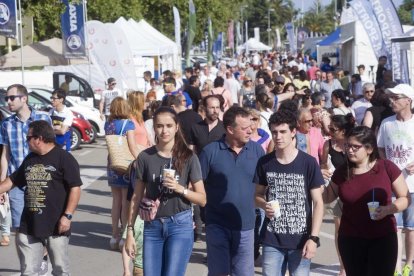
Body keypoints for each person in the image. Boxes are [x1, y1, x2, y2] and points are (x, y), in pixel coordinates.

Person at [125, 106, 206, 276]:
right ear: (154, 128)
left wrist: (180, 189)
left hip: (180, 224)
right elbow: (136, 197)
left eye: (169, 126)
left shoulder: (188, 157)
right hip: (152, 225)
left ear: (177, 127)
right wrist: (130, 232)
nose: (164, 130)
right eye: (160, 126)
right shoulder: (145, 157)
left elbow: (202, 199)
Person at [323, 126, 410, 276]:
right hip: (351, 239)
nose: (350, 150)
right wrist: (319, 180)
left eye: (355, 147)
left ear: (369, 149)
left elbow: (405, 198)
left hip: (382, 238)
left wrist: (388, 209)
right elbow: (327, 198)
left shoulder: (386, 167)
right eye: (348, 145)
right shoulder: (342, 171)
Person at [0, 120, 82, 275]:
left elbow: (75, 188)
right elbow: (13, 180)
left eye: (28, 137)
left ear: (39, 138)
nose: (26, 141)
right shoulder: (30, 159)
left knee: (60, 269)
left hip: (56, 224)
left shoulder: (64, 158)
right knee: (29, 270)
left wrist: (68, 216)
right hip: (30, 224)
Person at [254, 110, 324, 275]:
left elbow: (318, 202)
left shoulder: (308, 163)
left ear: (293, 132)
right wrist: (264, 205)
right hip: (272, 239)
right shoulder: (265, 162)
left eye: (283, 132)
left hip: (301, 240)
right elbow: (257, 196)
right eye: (274, 132)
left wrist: (313, 238)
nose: (278, 136)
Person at [199, 106, 265, 276]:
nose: (250, 131)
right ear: (229, 129)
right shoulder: (210, 152)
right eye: (244, 128)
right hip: (217, 225)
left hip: (246, 226)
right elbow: (198, 187)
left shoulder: (257, 150)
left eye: (251, 126)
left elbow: (265, 185)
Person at [0, 84, 52, 270]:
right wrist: (2, 184)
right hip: (16, 183)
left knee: (42, 225)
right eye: (7, 98)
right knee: (19, 228)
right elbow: (5, 155)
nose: (8, 101)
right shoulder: (6, 124)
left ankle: (43, 256)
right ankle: (26, 267)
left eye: (12, 97)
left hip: (41, 181)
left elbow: (51, 149)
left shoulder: (43, 118)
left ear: (24, 98)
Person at [377, 84, 414, 276]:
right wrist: (386, 165)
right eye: (390, 97)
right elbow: (380, 148)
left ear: (408, 100)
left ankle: (409, 264)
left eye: (396, 97)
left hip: (412, 186)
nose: (392, 101)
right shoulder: (386, 123)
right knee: (395, 227)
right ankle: (396, 267)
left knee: (411, 228)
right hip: (391, 185)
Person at [320, 114, 355, 276]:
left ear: (343, 131)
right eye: (330, 129)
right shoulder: (328, 144)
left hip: (355, 191)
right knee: (340, 228)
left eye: (333, 129)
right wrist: (323, 171)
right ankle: (343, 266)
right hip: (336, 190)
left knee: (356, 227)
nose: (330, 132)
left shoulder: (353, 144)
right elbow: (322, 164)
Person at [105, 97, 140, 250]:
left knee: (115, 201)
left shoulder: (108, 124)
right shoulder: (128, 124)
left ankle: (114, 236)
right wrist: (141, 157)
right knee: (126, 202)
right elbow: (132, 146)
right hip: (125, 164)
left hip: (112, 163)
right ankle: (124, 236)